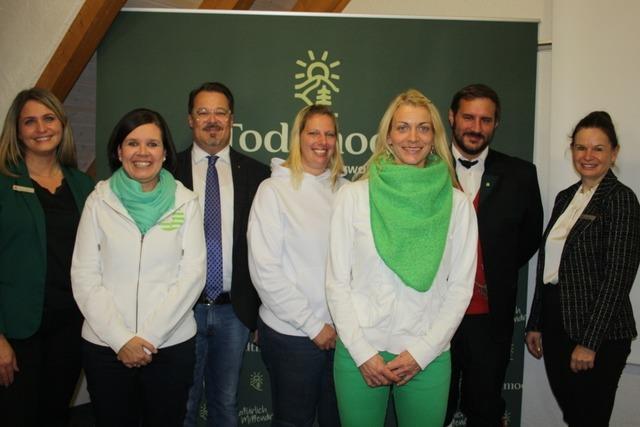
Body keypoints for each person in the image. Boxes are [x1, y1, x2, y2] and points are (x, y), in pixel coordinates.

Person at [325, 89, 477, 427]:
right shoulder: (353, 197)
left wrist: (422, 353)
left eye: (423, 128)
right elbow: (336, 283)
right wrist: (362, 353)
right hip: (360, 350)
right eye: (403, 127)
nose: (413, 137)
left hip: (428, 354)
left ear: (434, 137)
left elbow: (460, 289)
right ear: (389, 136)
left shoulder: (458, 205)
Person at [71, 108, 206, 426]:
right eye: (133, 143)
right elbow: (84, 274)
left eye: (152, 144)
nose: (142, 152)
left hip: (169, 345)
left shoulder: (186, 202)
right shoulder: (98, 201)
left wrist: (148, 337)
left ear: (165, 152)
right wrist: (121, 340)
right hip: (106, 346)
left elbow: (192, 274)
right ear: (119, 151)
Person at [525, 111, 640, 427]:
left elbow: (618, 277)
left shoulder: (620, 200)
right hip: (556, 323)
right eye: (581, 147)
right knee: (574, 416)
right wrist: (536, 322)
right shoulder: (565, 198)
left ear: (614, 153)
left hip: (599, 332)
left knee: (589, 419)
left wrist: (590, 342)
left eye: (598, 148)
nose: (588, 156)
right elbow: (549, 265)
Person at [444, 84, 543, 427]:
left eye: (485, 120)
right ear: (452, 117)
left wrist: (493, 270)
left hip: (490, 321)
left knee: (485, 411)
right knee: (432, 412)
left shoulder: (521, 174)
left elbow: (529, 238)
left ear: (496, 123)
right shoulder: (426, 168)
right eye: (468, 117)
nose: (476, 127)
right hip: (432, 317)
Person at [175, 82, 270, 427]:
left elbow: (265, 249)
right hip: (181, 310)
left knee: (226, 403)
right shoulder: (167, 171)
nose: (212, 120)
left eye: (220, 112)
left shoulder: (258, 175)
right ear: (190, 119)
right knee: (181, 405)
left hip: (235, 311)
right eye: (203, 112)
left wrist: (259, 310)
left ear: (232, 119)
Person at [0, 87, 94, 426]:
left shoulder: (82, 185)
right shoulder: (4, 183)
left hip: (70, 327)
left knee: (55, 415)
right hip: (16, 332)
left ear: (62, 124)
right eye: (30, 121)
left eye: (49, 118)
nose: (41, 128)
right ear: (17, 131)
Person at [248, 105, 346, 427]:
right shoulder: (273, 191)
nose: (322, 141)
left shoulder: (347, 191)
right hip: (292, 335)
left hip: (342, 336)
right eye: (313, 132)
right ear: (298, 138)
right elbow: (265, 271)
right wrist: (313, 326)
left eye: (329, 134)